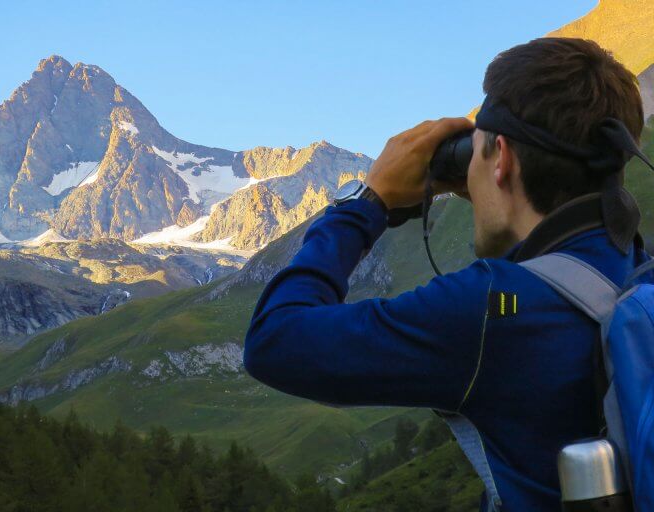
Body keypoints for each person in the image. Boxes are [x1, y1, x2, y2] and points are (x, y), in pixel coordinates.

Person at [242, 37, 649, 511]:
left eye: (476, 153)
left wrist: (366, 203)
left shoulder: (488, 310)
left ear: (504, 158)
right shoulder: (639, 271)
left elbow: (275, 341)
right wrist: (501, 189)